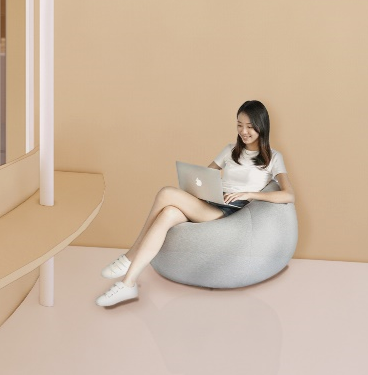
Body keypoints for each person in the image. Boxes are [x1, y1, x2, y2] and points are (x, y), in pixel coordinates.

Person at [96, 99, 295, 307]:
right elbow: (205, 174)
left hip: (229, 213)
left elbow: (288, 195)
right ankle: (128, 284)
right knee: (168, 214)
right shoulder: (230, 150)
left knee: (166, 193)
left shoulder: (273, 157)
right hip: (211, 202)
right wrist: (201, 188)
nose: (244, 131)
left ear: (262, 126)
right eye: (239, 125)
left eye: (250, 126)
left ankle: (130, 255)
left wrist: (251, 194)